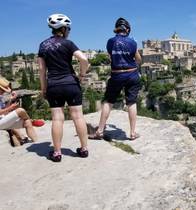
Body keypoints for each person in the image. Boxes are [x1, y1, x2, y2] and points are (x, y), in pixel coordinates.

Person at [37, 14, 89, 162]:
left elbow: (41, 70)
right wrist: (82, 74)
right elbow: (84, 59)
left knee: (57, 119)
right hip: (71, 83)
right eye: (69, 29)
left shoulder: (43, 45)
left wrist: (43, 88)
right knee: (78, 116)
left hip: (53, 85)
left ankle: (57, 153)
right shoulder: (68, 43)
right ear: (64, 29)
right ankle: (84, 149)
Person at [90, 17, 141, 140]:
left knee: (108, 101)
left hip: (117, 74)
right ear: (127, 30)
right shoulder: (132, 42)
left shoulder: (110, 42)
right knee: (131, 102)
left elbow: (111, 57)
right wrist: (134, 49)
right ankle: (133, 133)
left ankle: (100, 131)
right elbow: (139, 60)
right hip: (132, 74)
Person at [0, 77, 38, 145]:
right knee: (20, 110)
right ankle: (31, 120)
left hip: (2, 120)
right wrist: (11, 107)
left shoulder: (0, 97)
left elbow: (4, 111)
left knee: (27, 122)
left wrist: (11, 100)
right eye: (2, 90)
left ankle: (35, 142)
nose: (3, 92)